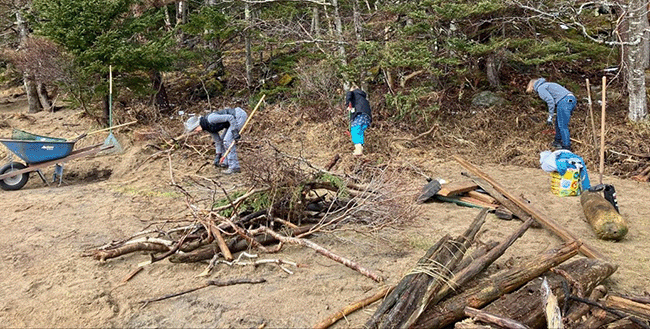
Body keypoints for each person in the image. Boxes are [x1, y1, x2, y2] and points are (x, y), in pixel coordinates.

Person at [186, 107, 248, 174]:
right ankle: (225, 162)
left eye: (195, 130)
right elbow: (218, 141)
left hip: (238, 116)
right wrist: (218, 155)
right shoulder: (207, 127)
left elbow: (230, 118)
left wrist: (234, 131)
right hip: (232, 121)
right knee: (223, 139)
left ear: (197, 125)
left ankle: (234, 167)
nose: (196, 132)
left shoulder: (210, 119)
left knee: (227, 140)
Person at [527, 78, 577, 151]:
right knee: (558, 122)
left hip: (564, 101)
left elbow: (550, 102)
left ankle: (567, 147)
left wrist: (550, 116)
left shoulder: (541, 88)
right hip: (571, 99)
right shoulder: (547, 84)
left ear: (532, 87)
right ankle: (557, 141)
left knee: (563, 125)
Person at [345, 85, 372, 156]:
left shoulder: (354, 93)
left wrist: (348, 104)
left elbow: (349, 96)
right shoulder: (362, 96)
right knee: (360, 131)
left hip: (359, 114)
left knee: (355, 129)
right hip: (367, 116)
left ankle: (358, 150)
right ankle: (359, 148)